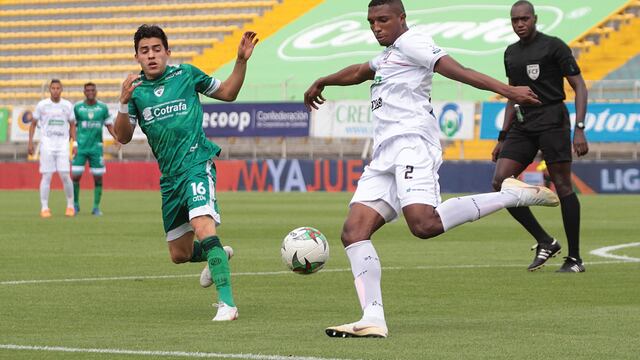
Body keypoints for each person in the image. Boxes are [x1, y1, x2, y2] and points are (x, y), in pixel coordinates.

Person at [304, 0, 559, 339]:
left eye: (383, 20)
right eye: (371, 22)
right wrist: (324, 80)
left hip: (412, 143)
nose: (376, 27)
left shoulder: (414, 43)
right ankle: (373, 318)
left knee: (424, 225)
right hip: (384, 154)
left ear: (401, 18)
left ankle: (510, 196)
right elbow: (359, 71)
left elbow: (458, 70)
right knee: (353, 232)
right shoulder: (389, 55)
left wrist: (508, 91)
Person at [114, 24, 258, 321]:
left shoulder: (187, 75)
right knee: (179, 254)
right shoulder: (136, 91)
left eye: (156, 49)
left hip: (196, 164)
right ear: (137, 57)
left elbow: (229, 93)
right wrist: (122, 102)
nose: (151, 55)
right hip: (169, 178)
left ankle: (228, 304)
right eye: (144, 51)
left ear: (168, 51)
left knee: (203, 224)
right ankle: (216, 254)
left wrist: (241, 61)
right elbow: (123, 136)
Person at [491, 0, 588, 273]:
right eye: (515, 20)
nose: (520, 24)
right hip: (523, 124)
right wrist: (503, 136)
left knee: (562, 185)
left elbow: (579, 86)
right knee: (500, 182)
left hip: (553, 120)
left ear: (534, 18)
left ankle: (575, 259)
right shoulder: (510, 53)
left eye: (525, 19)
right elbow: (512, 96)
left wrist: (579, 128)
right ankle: (545, 241)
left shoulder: (554, 46)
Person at [28, 79, 77, 218]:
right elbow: (33, 124)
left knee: (65, 176)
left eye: (58, 88)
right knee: (47, 176)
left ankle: (70, 206)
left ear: (61, 90)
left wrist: (75, 143)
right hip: (47, 144)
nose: (55, 90)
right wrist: (30, 142)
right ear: (49, 90)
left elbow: (72, 124)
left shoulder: (67, 105)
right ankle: (44, 208)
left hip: (62, 145)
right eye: (53, 88)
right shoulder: (42, 105)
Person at [72, 82, 117, 216]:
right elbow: (72, 126)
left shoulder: (102, 108)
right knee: (75, 176)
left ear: (96, 92)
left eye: (93, 90)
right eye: (88, 90)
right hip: (80, 147)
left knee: (98, 177)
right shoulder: (78, 107)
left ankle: (96, 207)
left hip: (96, 148)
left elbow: (109, 125)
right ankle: (75, 204)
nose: (90, 92)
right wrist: (74, 143)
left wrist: (116, 137)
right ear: (84, 92)